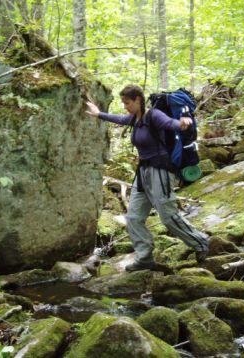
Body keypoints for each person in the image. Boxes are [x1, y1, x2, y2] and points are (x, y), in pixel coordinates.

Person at [86, 84, 209, 272]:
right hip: (143, 173)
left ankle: (201, 243)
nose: (125, 106)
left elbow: (170, 124)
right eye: (123, 103)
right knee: (134, 217)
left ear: (138, 100)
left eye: (127, 102)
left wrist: (183, 123)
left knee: (168, 216)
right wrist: (98, 114)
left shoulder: (154, 115)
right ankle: (145, 257)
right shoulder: (136, 119)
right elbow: (119, 119)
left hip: (160, 170)